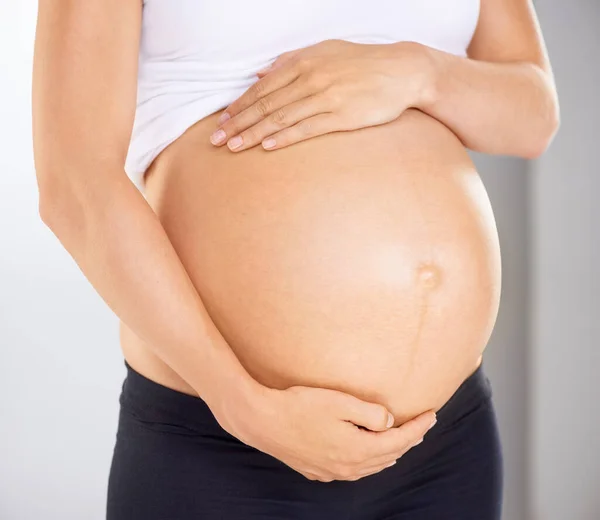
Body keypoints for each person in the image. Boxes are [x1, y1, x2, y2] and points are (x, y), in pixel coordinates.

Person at [32, 0, 559, 518]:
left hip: (442, 444)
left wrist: (423, 72)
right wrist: (240, 405)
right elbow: (76, 186)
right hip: (225, 444)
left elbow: (533, 116)